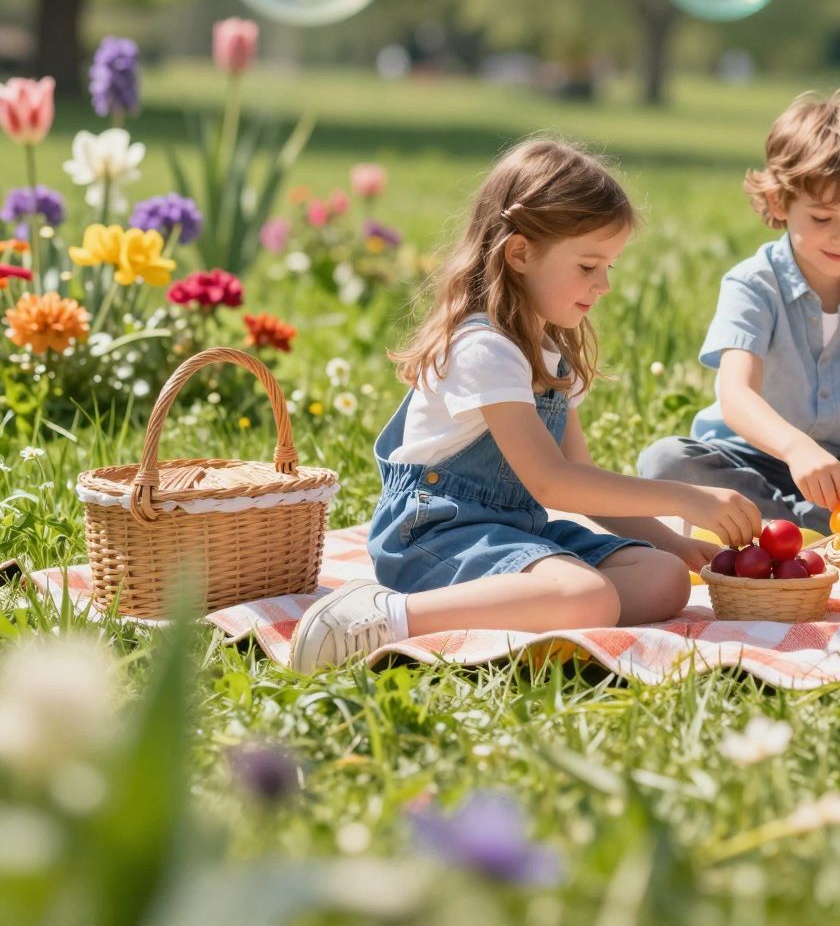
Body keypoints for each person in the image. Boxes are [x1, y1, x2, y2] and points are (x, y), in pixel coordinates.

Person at [289, 138, 759, 671]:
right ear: (519, 254)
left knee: (664, 579)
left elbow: (581, 478)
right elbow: (550, 482)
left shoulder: (551, 350)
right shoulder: (484, 347)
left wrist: (671, 544)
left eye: (610, 266)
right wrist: (685, 498)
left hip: (515, 531)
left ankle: (542, 603)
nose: (603, 284)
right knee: (589, 597)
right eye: (587, 266)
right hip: (434, 533)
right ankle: (384, 617)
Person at [637, 94, 840, 531]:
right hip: (750, 458)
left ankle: (778, 529)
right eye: (823, 218)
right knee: (665, 461)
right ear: (778, 203)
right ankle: (821, 530)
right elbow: (736, 395)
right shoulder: (752, 282)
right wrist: (794, 449)